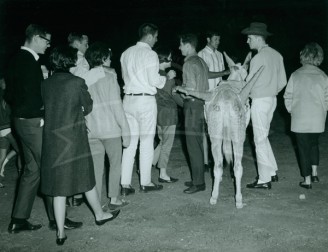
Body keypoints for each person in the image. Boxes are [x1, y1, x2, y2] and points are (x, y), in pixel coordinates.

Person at [5, 24, 81, 234]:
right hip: (33, 122)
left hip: (20, 121)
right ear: (36, 38)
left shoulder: (16, 59)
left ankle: (18, 220)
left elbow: (9, 94)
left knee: (32, 170)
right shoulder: (29, 61)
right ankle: (58, 220)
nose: (48, 45)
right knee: (51, 168)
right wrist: (41, 116)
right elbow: (33, 96)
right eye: (47, 41)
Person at [41, 45, 120, 245]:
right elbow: (88, 106)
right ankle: (100, 215)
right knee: (86, 177)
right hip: (74, 137)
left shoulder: (46, 84)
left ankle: (60, 232)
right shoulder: (77, 82)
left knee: (59, 188)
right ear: (70, 61)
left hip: (52, 140)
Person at [120, 23, 176, 195]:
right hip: (145, 100)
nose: (156, 40)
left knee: (129, 144)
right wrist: (165, 79)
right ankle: (145, 182)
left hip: (128, 100)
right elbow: (154, 80)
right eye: (156, 37)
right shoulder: (150, 54)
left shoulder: (126, 53)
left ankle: (125, 184)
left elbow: (125, 77)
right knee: (146, 142)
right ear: (150, 36)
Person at [84, 42, 131, 210]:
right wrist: (126, 130)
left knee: (96, 168)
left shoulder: (83, 78)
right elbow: (116, 106)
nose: (111, 60)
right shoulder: (110, 77)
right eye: (109, 57)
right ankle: (114, 198)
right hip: (110, 129)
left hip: (91, 130)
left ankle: (95, 202)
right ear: (103, 58)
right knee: (115, 164)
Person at [241, 22, 287, 189]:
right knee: (263, 136)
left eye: (249, 38)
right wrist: (271, 90)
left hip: (260, 101)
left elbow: (249, 83)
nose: (247, 41)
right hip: (272, 100)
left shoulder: (258, 58)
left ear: (259, 39)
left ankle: (263, 179)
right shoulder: (277, 55)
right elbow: (283, 81)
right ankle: (272, 171)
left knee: (259, 139)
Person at [284, 42, 328, 189]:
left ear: (303, 55)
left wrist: (292, 110)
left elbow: (287, 96)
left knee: (303, 147)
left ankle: (307, 180)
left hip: (300, 118)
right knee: (314, 144)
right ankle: (314, 174)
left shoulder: (295, 75)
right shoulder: (323, 76)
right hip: (317, 118)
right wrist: (323, 111)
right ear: (319, 57)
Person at [179, 33, 209, 194]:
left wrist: (178, 89)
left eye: (181, 44)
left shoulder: (189, 63)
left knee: (193, 145)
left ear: (188, 45)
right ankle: (197, 178)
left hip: (191, 106)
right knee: (197, 143)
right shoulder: (202, 61)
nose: (179, 47)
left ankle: (199, 183)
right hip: (201, 105)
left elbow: (190, 90)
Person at [198, 31, 230, 172]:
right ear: (208, 39)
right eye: (216, 39)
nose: (218, 41)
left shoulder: (219, 54)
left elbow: (222, 77)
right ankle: (205, 161)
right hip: (208, 97)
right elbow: (205, 74)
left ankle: (218, 158)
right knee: (207, 130)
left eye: (219, 39)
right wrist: (224, 73)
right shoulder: (202, 54)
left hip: (220, 96)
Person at [152, 46, 183, 183]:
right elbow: (170, 94)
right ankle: (163, 174)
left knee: (162, 141)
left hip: (158, 113)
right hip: (169, 114)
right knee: (167, 144)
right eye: (169, 57)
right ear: (163, 59)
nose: (171, 60)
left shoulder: (154, 74)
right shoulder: (166, 76)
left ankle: (146, 165)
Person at [67, 32, 90, 206]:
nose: (87, 46)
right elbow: (82, 85)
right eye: (85, 43)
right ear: (76, 43)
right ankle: (77, 194)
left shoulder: (62, 59)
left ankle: (68, 194)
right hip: (77, 109)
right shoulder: (81, 60)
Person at [0, 76, 21, 179]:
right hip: (8, 128)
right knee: (21, 151)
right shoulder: (6, 97)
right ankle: (21, 175)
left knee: (2, 156)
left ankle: (2, 167)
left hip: (1, 130)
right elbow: (10, 113)